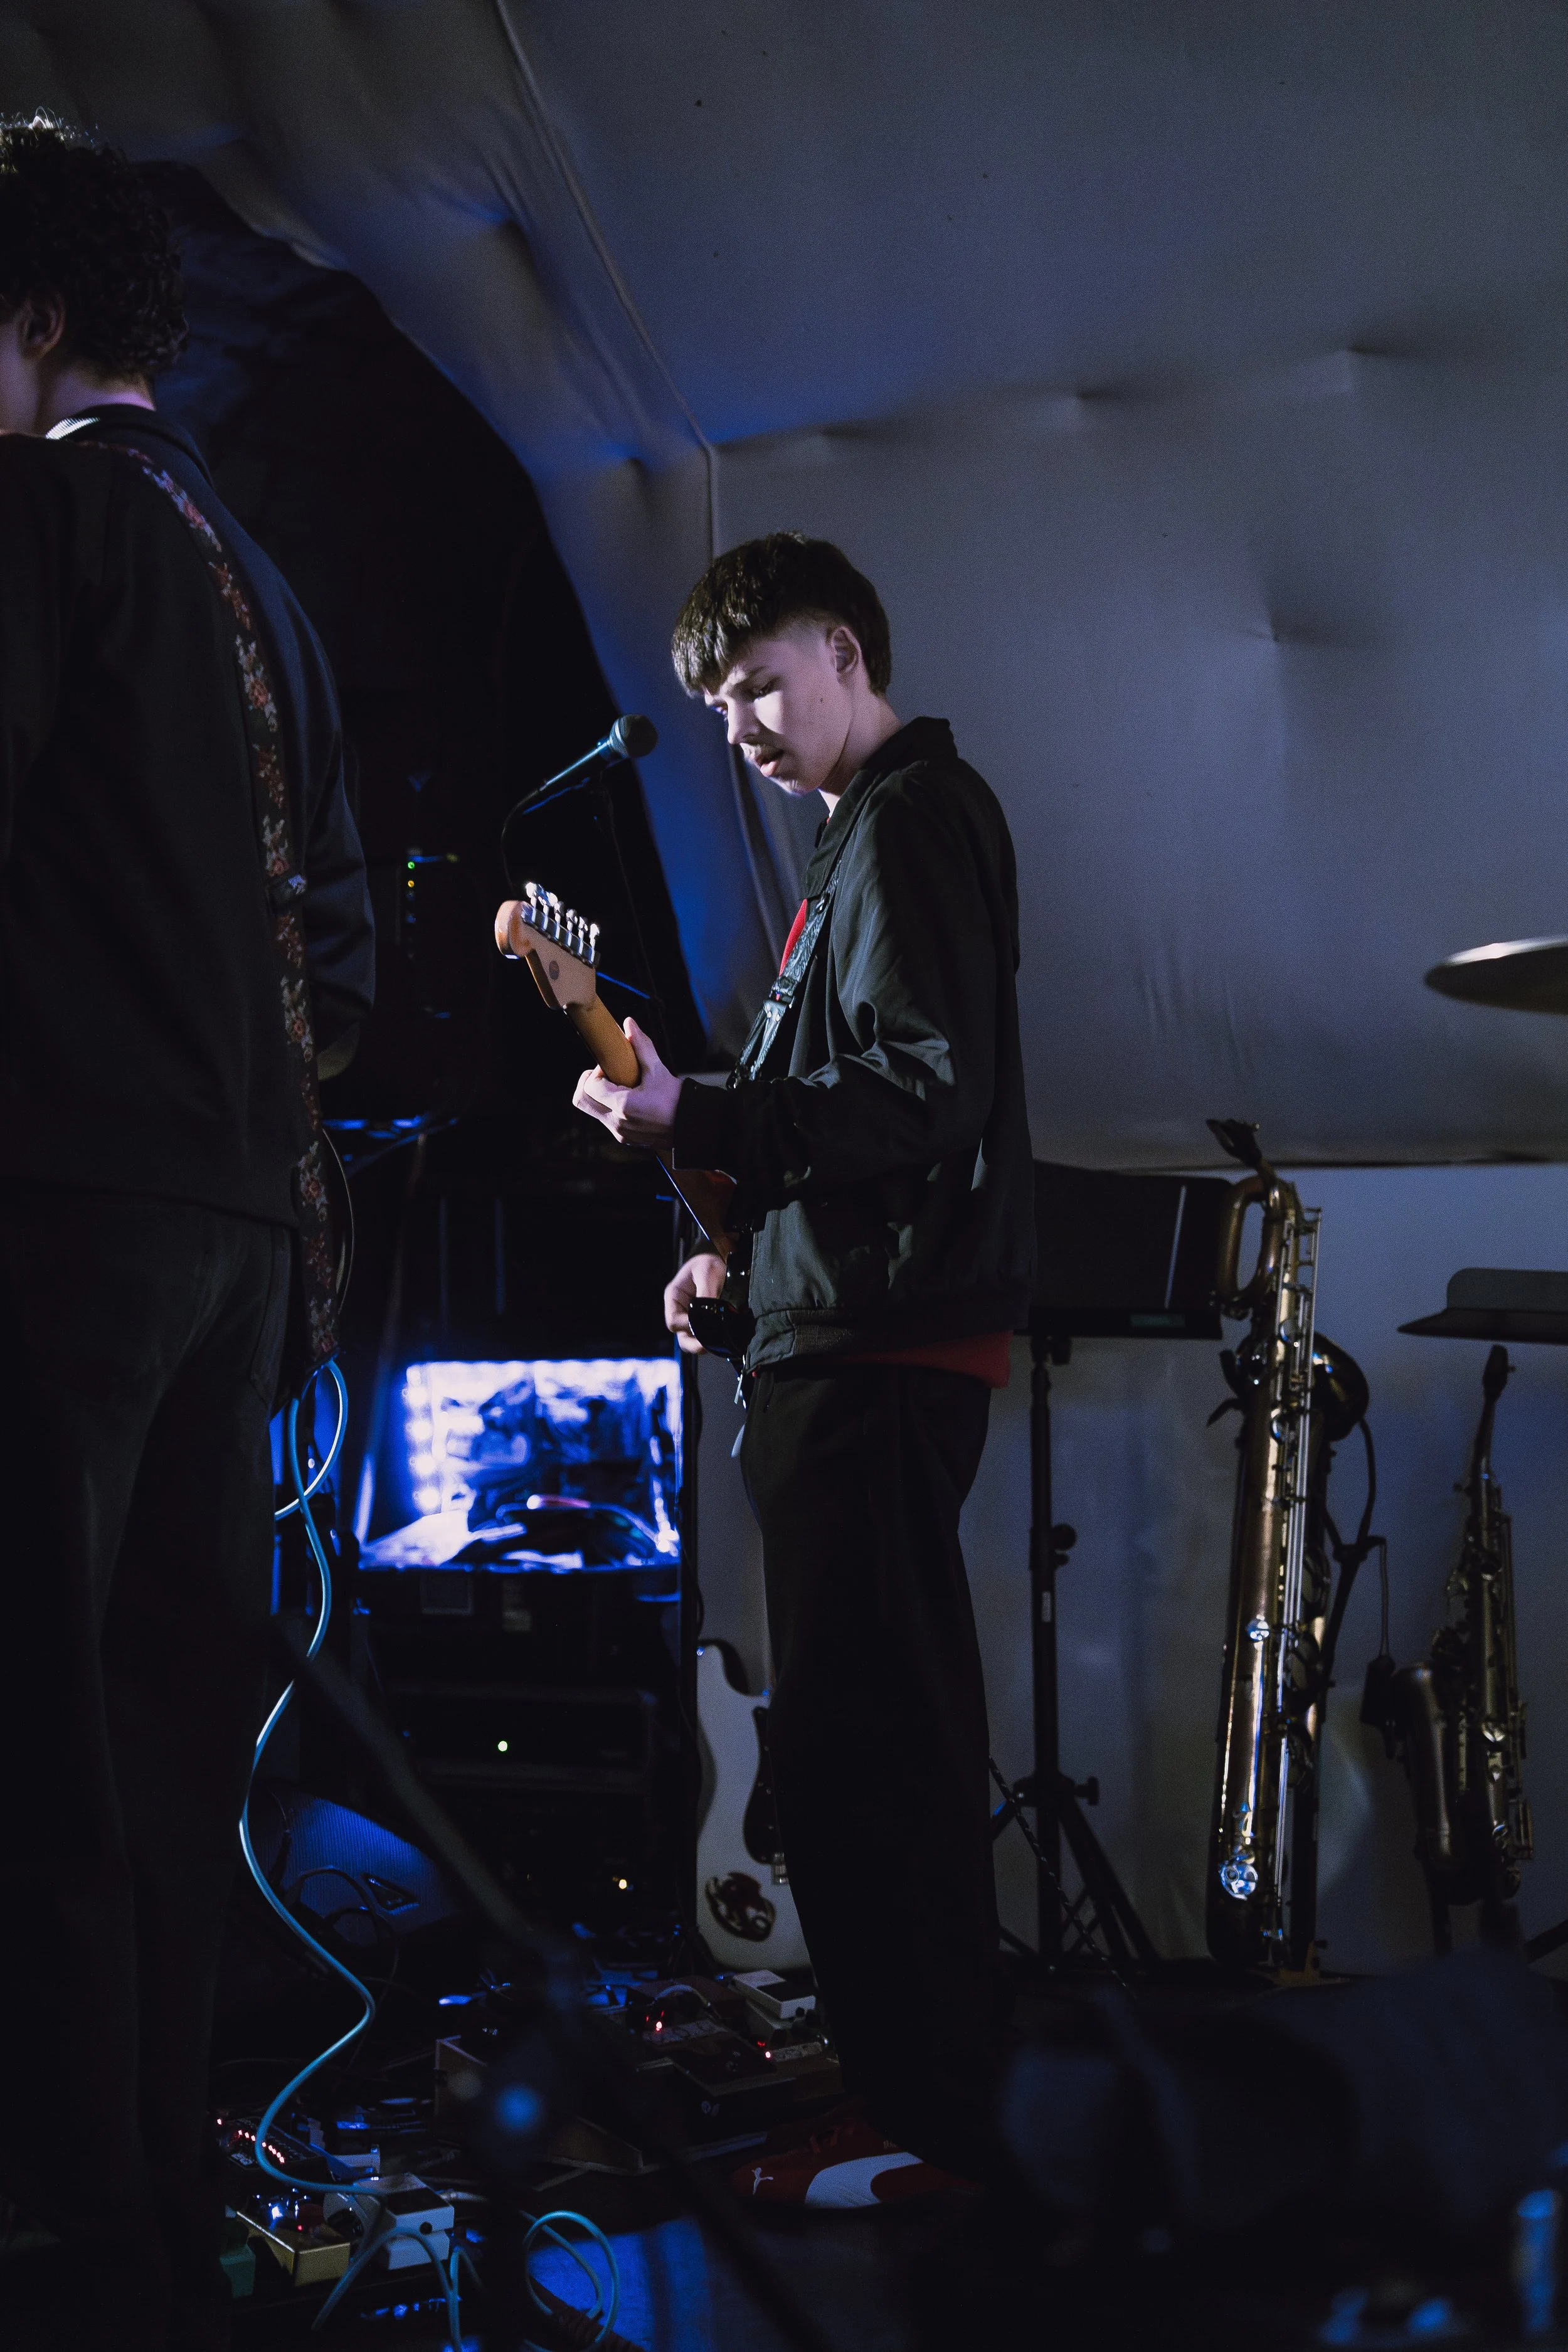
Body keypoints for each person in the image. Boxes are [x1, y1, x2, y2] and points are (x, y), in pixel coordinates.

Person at [0, 119, 373, 2347]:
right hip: (242, 1241)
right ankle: (152, 2229)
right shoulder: (272, 578)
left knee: (34, 1759)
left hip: (60, 1221)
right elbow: (335, 958)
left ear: (33, 321)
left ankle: (60, 2242)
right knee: (160, 1771)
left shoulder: (41, 520)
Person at [572, 532, 1034, 2205]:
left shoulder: (907, 821)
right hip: (841, 1323)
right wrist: (734, 1260)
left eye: (761, 681)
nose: (742, 727)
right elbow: (852, 1125)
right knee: (853, 1748)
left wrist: (691, 1107)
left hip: (883, 1345)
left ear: (843, 647)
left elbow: (921, 1089)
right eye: (716, 705)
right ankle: (910, 2101)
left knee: (869, 1754)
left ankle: (931, 2124)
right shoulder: (864, 839)